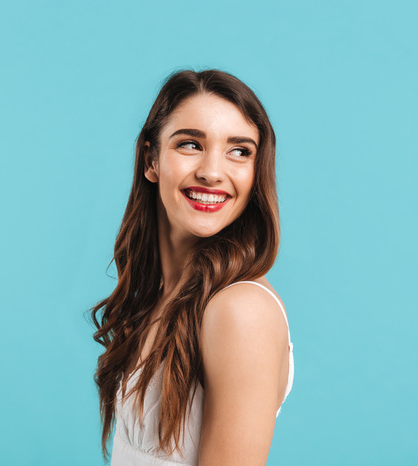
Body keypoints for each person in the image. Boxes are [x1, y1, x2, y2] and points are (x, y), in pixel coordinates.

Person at [90, 69, 294, 466]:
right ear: (151, 159)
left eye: (240, 151)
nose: (212, 172)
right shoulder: (162, 295)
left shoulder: (239, 309)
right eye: (190, 144)